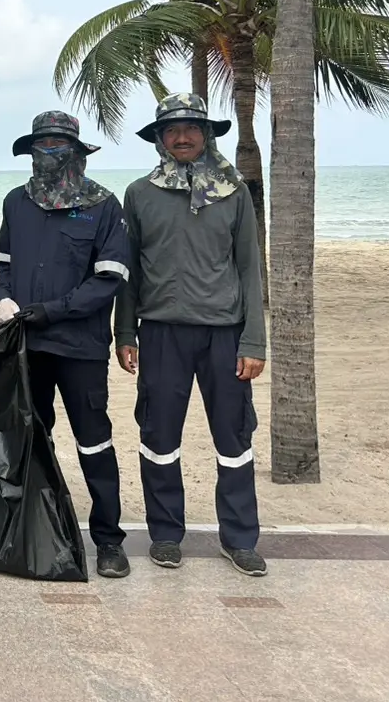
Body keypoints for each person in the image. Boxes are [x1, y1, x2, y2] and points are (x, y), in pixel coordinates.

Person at [115, 93, 268, 578]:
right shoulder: (140, 193)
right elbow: (129, 272)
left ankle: (239, 539)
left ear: (207, 135)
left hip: (224, 335)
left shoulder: (235, 192)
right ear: (159, 139)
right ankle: (165, 534)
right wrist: (124, 331)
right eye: (171, 130)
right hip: (160, 334)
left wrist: (254, 342)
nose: (181, 137)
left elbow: (249, 269)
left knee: (235, 438)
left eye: (191, 129)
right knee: (158, 436)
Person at [0, 111, 131, 579]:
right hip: (26, 346)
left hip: (81, 347)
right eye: (41, 146)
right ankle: (39, 530)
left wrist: (53, 310)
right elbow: (3, 265)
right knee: (33, 440)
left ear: (76, 151)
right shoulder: (17, 203)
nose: (48, 154)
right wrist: (4, 297)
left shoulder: (103, 206)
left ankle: (109, 541)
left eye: (58, 145)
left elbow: (109, 279)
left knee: (94, 442)